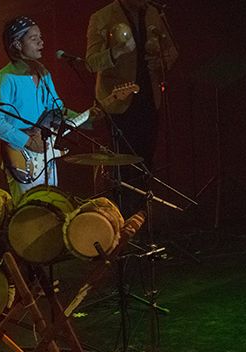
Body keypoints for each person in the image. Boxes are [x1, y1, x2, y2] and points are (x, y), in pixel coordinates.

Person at [0, 16, 95, 201]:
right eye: (33, 38)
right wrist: (27, 141)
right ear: (17, 44)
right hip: (21, 158)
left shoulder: (43, 72)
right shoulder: (5, 79)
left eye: (41, 37)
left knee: (52, 208)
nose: (41, 42)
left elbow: (56, 110)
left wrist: (87, 117)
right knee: (29, 212)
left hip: (46, 155)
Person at [85, 0, 178, 213]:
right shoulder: (102, 17)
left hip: (149, 96)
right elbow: (91, 62)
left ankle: (142, 217)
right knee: (123, 165)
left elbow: (172, 51)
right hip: (118, 100)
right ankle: (120, 216)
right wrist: (116, 51)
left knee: (146, 159)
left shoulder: (154, 13)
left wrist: (161, 62)